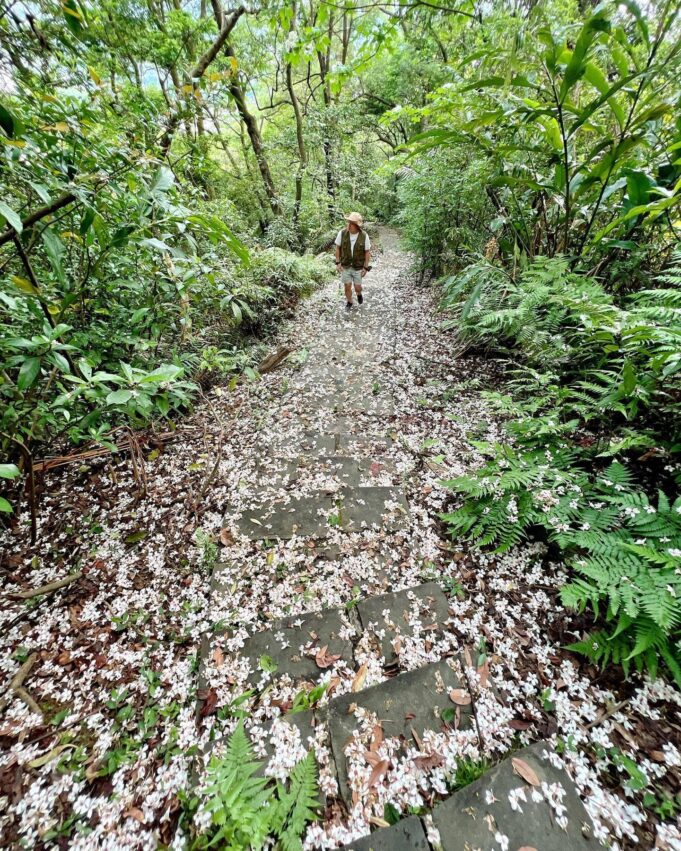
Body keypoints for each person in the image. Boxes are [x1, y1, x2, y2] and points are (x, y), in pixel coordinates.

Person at [335, 212, 371, 310]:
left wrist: (365, 267)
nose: (349, 225)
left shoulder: (364, 236)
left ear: (357, 226)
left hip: (358, 266)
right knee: (347, 285)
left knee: (357, 287)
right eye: (349, 222)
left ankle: (359, 294)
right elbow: (337, 248)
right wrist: (338, 263)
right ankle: (350, 302)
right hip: (345, 265)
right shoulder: (342, 233)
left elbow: (367, 252)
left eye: (351, 223)